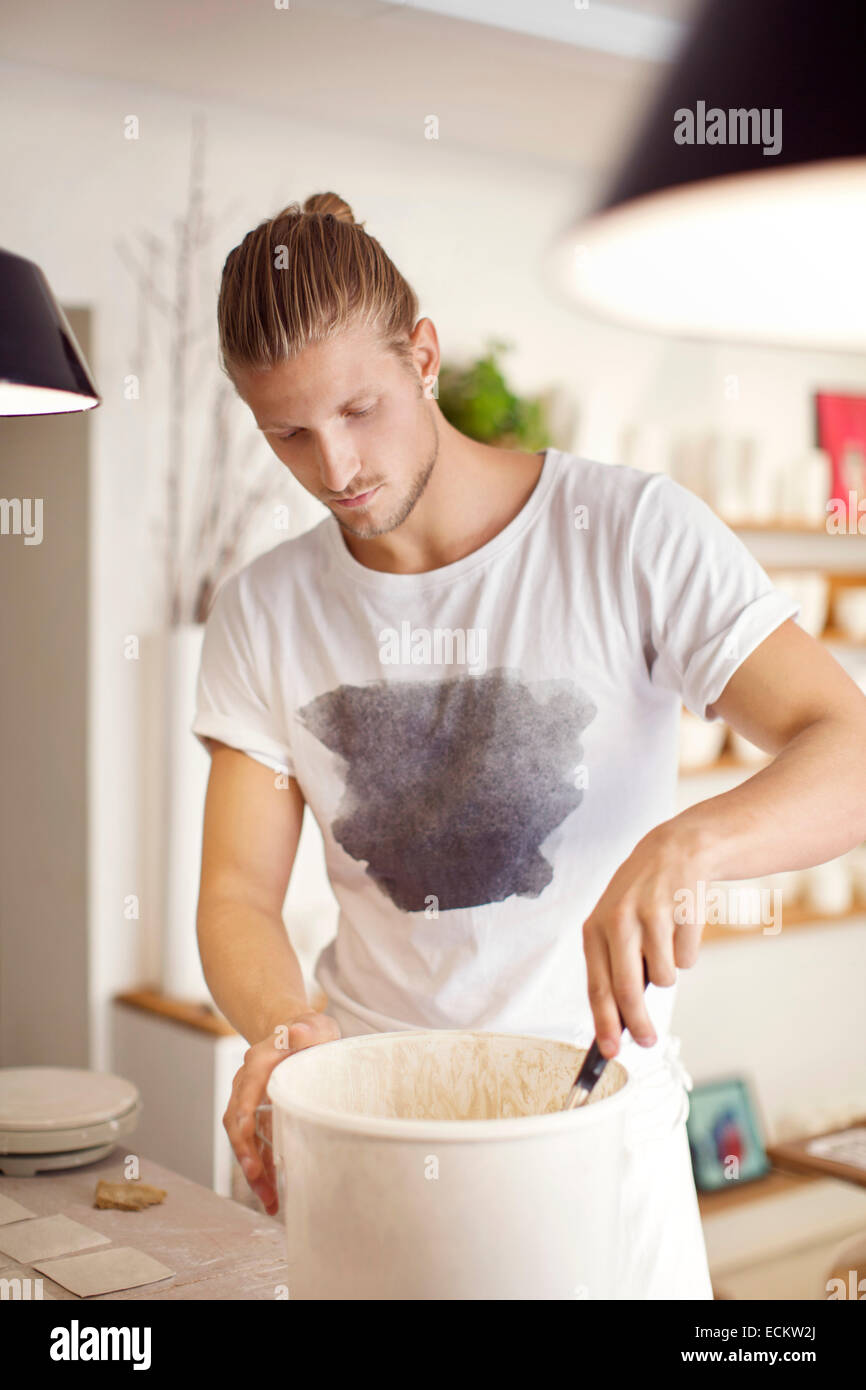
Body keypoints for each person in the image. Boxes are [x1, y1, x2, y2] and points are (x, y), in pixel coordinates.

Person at [192, 191, 866, 1299]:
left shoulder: (631, 534)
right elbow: (233, 896)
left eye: (358, 407)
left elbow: (845, 745)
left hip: (598, 1135)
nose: (335, 465)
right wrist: (286, 1033)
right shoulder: (265, 611)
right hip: (368, 1127)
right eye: (287, 434)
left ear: (421, 355)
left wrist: (687, 845)